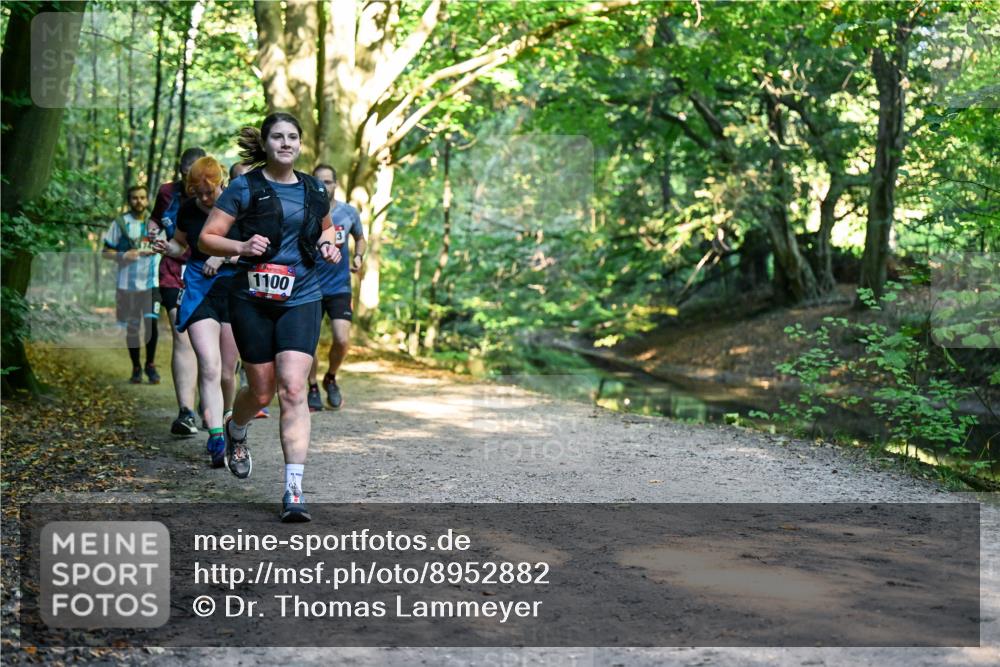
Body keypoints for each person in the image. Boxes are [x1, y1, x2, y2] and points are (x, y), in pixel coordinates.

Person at [200, 112, 341, 522]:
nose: (285, 143)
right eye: (277, 137)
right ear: (264, 144)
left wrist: (330, 246)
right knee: (261, 391)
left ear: (300, 144)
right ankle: (236, 429)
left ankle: (294, 490)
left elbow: (326, 230)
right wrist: (241, 247)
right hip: (252, 299)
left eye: (292, 137)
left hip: (302, 296)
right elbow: (208, 237)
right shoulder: (245, 187)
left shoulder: (315, 188)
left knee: (294, 388)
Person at [153, 157, 240, 468]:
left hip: (232, 292)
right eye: (197, 193)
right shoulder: (188, 210)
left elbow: (254, 248)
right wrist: (167, 249)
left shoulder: (238, 205)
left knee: (228, 372)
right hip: (200, 289)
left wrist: (224, 256)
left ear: (220, 184)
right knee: (209, 364)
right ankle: (215, 436)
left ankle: (231, 423)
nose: (203, 198)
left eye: (208, 192)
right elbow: (181, 246)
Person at [149, 147, 206, 437]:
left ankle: (215, 406)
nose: (192, 183)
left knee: (212, 341)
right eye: (187, 177)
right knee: (182, 335)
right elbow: (154, 221)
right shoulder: (167, 193)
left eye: (196, 177)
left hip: (208, 273)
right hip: (173, 269)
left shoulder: (218, 195)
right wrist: (151, 235)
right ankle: (186, 412)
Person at [306, 164, 366, 411]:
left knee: (341, 339)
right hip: (309, 286)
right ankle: (311, 386)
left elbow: (360, 239)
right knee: (309, 342)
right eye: (319, 182)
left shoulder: (348, 212)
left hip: (339, 286)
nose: (324, 186)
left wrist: (359, 257)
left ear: (335, 184)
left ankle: (330, 377)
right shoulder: (306, 212)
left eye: (328, 182)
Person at [102, 185, 160, 384]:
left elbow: (175, 245)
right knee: (133, 328)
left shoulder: (157, 222)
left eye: (143, 197)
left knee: (151, 323)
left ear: (147, 199)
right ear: (129, 200)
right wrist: (123, 255)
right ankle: (136, 367)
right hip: (127, 285)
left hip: (153, 283)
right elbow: (105, 251)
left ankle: (150, 365)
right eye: (135, 198)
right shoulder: (120, 223)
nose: (139, 202)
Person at [230, 161, 269, 420]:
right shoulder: (227, 209)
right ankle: (220, 406)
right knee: (224, 363)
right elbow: (205, 242)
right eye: (241, 180)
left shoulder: (270, 208)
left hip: (269, 291)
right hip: (232, 292)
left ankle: (253, 396)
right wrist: (232, 253)